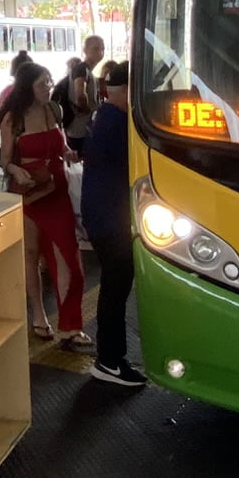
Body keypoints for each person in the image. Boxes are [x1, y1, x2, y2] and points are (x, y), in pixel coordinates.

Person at [0, 59, 91, 351]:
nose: (49, 87)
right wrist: (15, 170)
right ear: (28, 87)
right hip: (29, 192)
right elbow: (4, 158)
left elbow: (60, 144)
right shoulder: (13, 118)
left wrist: (68, 153)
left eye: (50, 81)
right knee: (31, 255)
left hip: (57, 189)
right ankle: (39, 315)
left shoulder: (54, 109)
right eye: (42, 83)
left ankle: (70, 325)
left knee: (70, 258)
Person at [81, 62, 143, 386]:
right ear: (127, 91)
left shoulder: (105, 117)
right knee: (115, 288)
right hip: (111, 220)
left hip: (102, 215)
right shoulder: (119, 124)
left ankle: (110, 358)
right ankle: (109, 360)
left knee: (114, 287)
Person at [63, 35, 105, 159]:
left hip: (84, 128)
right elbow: (80, 94)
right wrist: (87, 109)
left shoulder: (88, 71)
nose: (100, 52)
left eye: (103, 49)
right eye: (96, 49)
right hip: (80, 130)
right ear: (85, 50)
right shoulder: (81, 69)